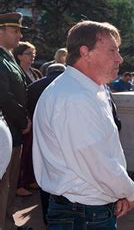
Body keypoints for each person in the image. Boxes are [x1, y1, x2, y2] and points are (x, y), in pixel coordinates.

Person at [32, 21, 134, 228]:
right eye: (112, 50)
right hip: (84, 214)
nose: (119, 58)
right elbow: (97, 162)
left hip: (84, 210)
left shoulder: (84, 90)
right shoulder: (75, 97)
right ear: (85, 52)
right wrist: (129, 192)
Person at [0, 12, 32, 230]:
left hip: (14, 133)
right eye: (14, 30)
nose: (19, 35)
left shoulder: (8, 57)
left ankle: (8, 223)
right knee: (3, 185)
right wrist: (23, 121)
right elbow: (5, 97)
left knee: (9, 185)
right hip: (8, 130)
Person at [26, 63, 66, 225]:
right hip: (64, 136)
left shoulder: (34, 86)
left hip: (39, 133)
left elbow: (27, 108)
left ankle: (48, 218)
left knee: (45, 176)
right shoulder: (68, 86)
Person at [12, 42, 42, 197]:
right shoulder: (17, 71)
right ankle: (19, 184)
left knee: (32, 151)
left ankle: (30, 179)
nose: (32, 56)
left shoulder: (35, 72)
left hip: (36, 116)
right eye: (29, 53)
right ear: (19, 56)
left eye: (33, 53)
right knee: (22, 153)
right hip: (23, 117)